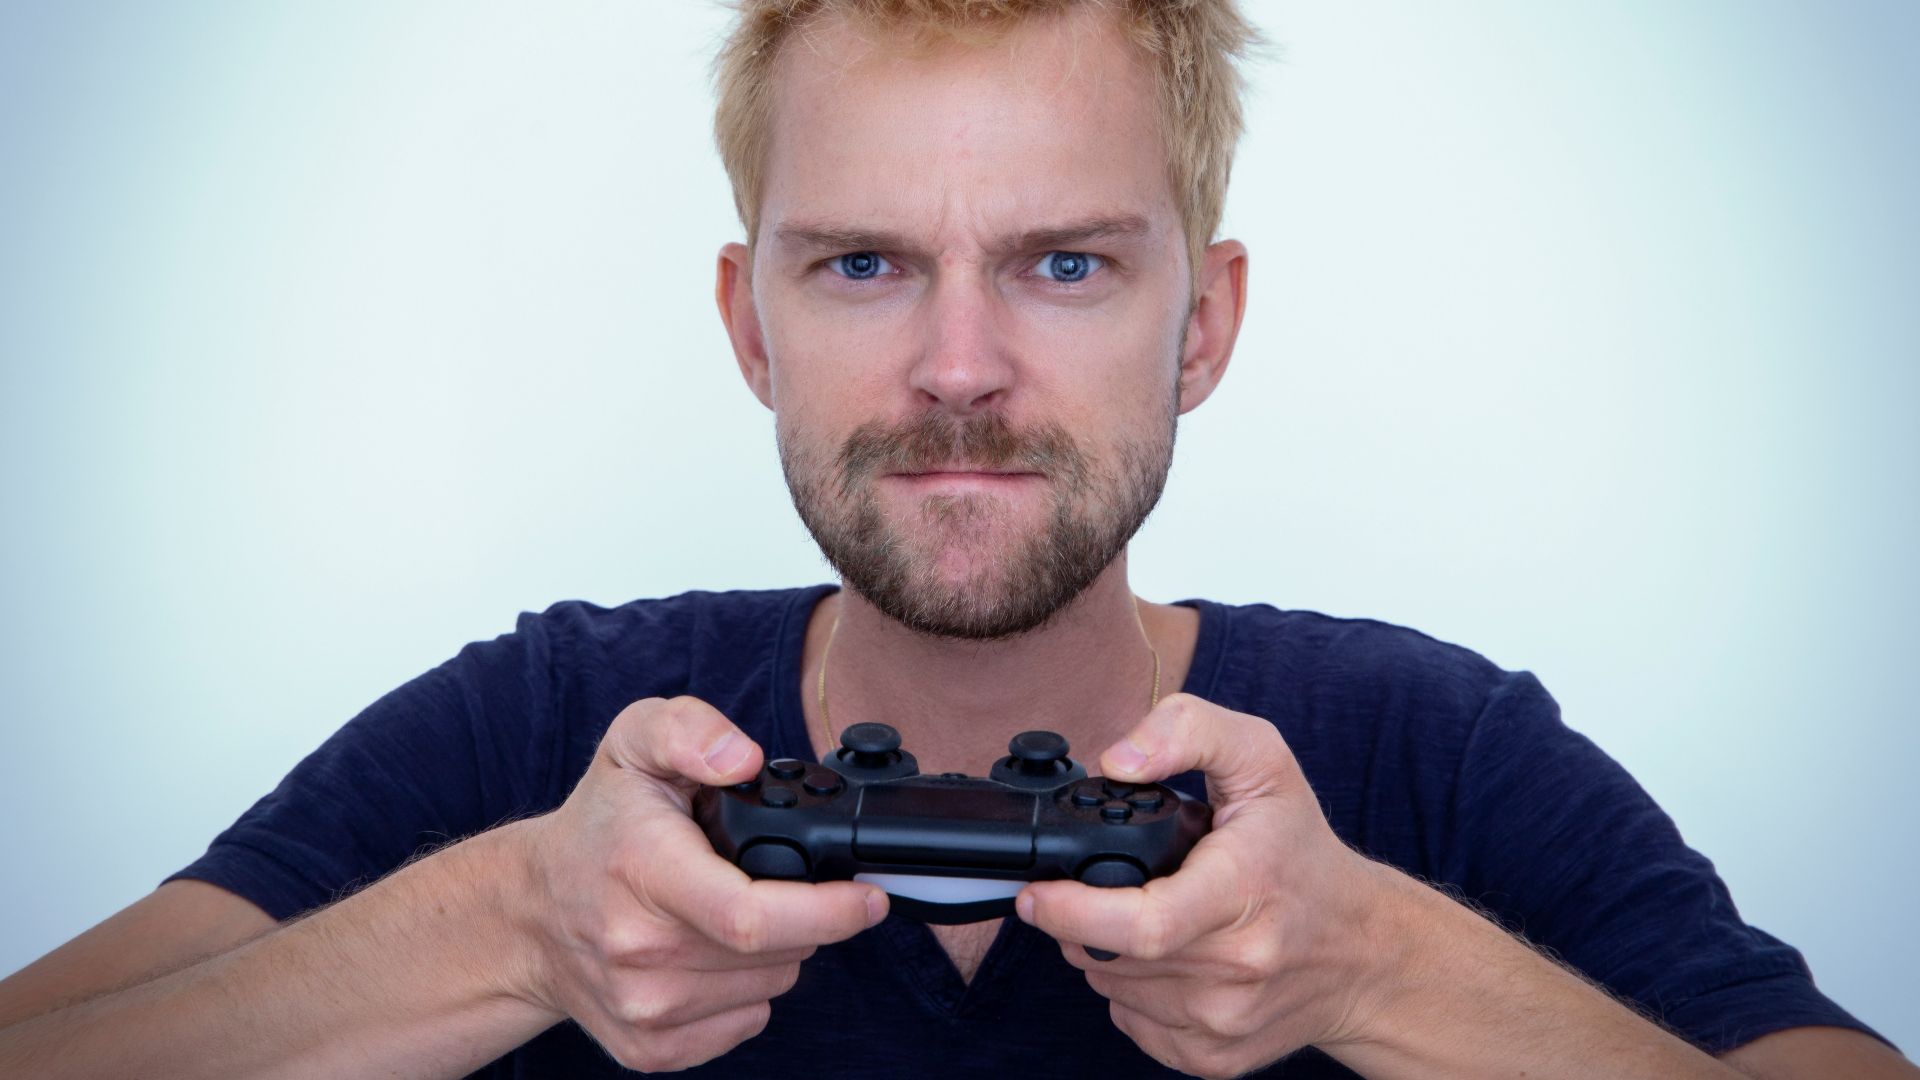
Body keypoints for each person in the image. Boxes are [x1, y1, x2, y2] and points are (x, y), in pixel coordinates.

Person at [0, 2, 1911, 1077]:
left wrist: (1374, 973)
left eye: (1065, 263)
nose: (959, 367)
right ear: (753, 323)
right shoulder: (542, 729)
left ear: (1208, 323)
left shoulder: (1447, 752)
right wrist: (510, 929)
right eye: (864, 264)